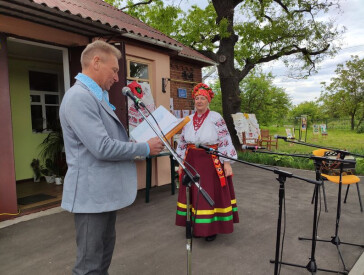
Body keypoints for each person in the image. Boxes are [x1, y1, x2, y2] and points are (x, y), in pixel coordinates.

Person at [59, 40, 164, 274]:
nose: (117, 78)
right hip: (91, 197)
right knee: (89, 266)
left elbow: (103, 142)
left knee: (101, 260)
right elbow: (102, 147)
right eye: (115, 70)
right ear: (96, 62)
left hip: (102, 195)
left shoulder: (95, 97)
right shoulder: (79, 97)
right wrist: (144, 148)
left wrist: (131, 144)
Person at [175, 83, 239, 242]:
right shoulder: (188, 119)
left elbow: (224, 139)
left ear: (208, 100)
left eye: (203, 98)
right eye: (197, 98)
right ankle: (193, 224)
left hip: (210, 161)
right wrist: (180, 161)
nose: (199, 101)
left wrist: (227, 163)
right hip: (191, 160)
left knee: (207, 193)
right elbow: (182, 142)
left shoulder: (216, 117)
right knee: (192, 192)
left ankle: (209, 228)